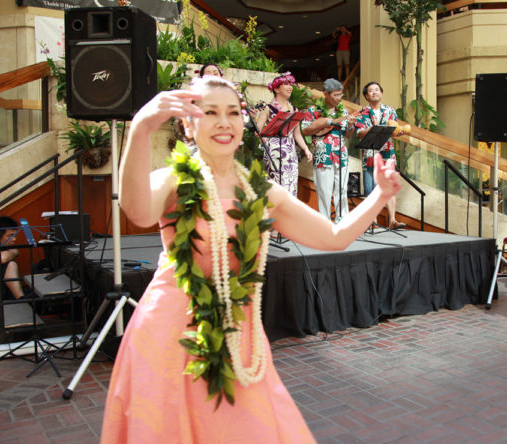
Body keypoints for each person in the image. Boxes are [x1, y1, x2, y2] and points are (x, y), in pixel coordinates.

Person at [101, 76, 401, 442]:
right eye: (209, 112)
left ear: (244, 125)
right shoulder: (173, 181)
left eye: (233, 112)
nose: (224, 122)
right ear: (188, 125)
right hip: (171, 333)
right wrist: (140, 130)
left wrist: (380, 195)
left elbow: (333, 237)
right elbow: (137, 210)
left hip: (240, 337)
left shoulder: (264, 191)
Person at [300, 78, 359, 222]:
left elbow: (348, 134)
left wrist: (351, 126)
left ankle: (343, 220)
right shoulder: (313, 111)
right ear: (325, 94)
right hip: (323, 154)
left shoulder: (343, 110)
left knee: (343, 189)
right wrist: (327, 122)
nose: (339, 98)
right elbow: (306, 130)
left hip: (341, 154)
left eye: (340, 95)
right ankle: (324, 222)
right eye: (335, 95)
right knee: (324, 191)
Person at [356, 81, 405, 229]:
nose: (375, 92)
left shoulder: (390, 110)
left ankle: (392, 220)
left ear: (382, 93)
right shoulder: (362, 112)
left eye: (377, 90)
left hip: (387, 154)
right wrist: (373, 128)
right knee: (371, 191)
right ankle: (373, 222)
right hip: (370, 155)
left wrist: (398, 132)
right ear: (366, 95)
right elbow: (359, 134)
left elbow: (394, 129)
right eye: (371, 91)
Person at [254, 72, 312, 197]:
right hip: (274, 152)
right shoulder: (268, 108)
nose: (290, 87)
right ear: (276, 88)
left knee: (290, 187)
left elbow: (297, 134)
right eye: (286, 84)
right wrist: (261, 136)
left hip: (290, 153)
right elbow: (258, 131)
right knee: (277, 188)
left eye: (291, 84)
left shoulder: (294, 109)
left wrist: (306, 149)